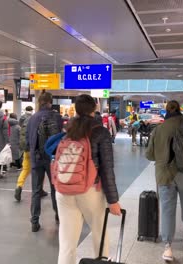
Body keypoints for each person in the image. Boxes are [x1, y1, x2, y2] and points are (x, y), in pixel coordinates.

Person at [56, 94, 122, 264]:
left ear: (76, 109)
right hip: (90, 190)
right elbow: (107, 168)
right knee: (99, 236)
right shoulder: (100, 131)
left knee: (67, 244)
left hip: (64, 189)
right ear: (94, 109)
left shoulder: (68, 129)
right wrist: (113, 200)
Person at [146, 100, 183, 262]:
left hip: (165, 175)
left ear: (166, 111)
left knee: (167, 209)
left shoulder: (159, 129)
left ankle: (168, 248)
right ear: (179, 110)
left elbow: (149, 155)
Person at [26, 91, 61, 232]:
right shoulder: (56, 117)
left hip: (36, 158)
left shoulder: (33, 118)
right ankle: (59, 215)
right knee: (55, 189)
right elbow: (59, 137)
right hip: (52, 158)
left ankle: (34, 221)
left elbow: (28, 140)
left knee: (36, 190)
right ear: (49, 102)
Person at [14, 106, 48, 202]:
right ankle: (39, 190)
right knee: (40, 170)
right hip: (35, 149)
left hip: (26, 148)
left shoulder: (24, 119)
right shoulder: (39, 120)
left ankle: (19, 186)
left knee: (25, 169)